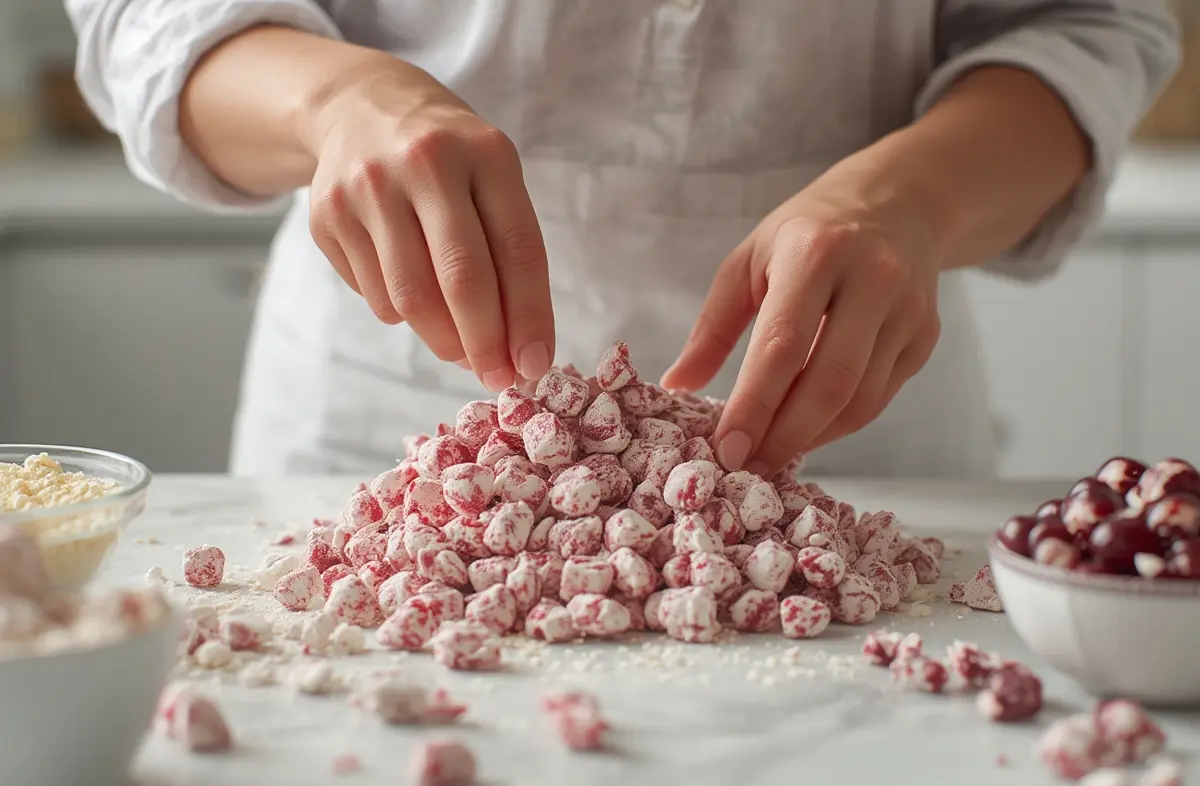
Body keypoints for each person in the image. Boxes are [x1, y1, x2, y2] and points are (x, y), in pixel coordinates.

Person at [67, 1, 1178, 479]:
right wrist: (334, 100)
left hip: (843, 430)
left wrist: (917, 198)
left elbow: (1088, 25)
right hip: (391, 432)